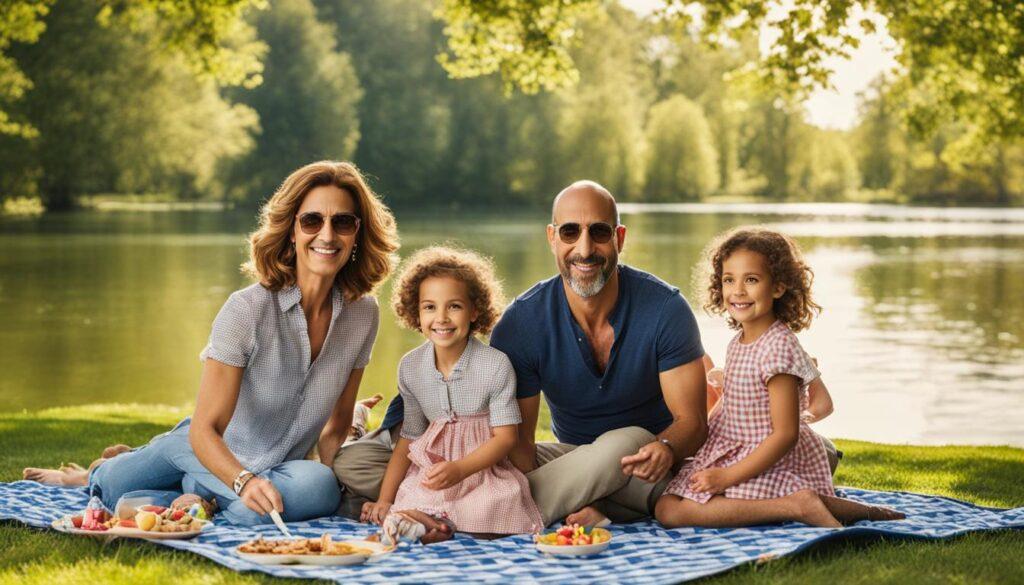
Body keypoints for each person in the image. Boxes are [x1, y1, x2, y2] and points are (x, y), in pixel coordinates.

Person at [24, 161, 399, 526]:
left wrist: (342, 497)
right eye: (312, 220)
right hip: (205, 449)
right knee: (109, 488)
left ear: (358, 233)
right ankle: (107, 472)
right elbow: (205, 431)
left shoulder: (362, 314)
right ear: (291, 231)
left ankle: (193, 497)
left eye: (343, 222)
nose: (328, 235)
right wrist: (242, 481)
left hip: (277, 468)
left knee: (319, 488)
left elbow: (334, 429)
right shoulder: (247, 309)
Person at [333, 180, 711, 526]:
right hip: (562, 458)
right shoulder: (524, 321)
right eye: (569, 232)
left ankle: (468, 512)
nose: (584, 248)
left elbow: (692, 423)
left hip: (640, 462)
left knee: (628, 441)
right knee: (353, 463)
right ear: (552, 238)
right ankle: (516, 506)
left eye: (599, 232)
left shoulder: (664, 309)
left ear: (619, 238)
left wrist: (665, 446)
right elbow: (520, 446)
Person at [655, 227, 903, 528]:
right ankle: (860, 510)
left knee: (671, 512)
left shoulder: (778, 348)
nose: (738, 291)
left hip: (769, 459)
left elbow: (786, 434)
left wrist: (726, 477)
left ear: (778, 287)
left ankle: (795, 505)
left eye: (751, 280)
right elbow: (730, 407)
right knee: (667, 503)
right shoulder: (739, 342)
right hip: (737, 449)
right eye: (729, 279)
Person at [360, 247, 543, 544]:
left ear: (474, 311)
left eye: (454, 306)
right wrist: (385, 499)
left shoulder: (495, 365)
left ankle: (437, 529)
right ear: (415, 313)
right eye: (429, 307)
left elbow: (506, 438)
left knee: (488, 508)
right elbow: (409, 437)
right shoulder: (410, 366)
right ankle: (422, 526)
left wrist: (460, 469)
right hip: (434, 468)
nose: (441, 318)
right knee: (412, 497)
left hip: (481, 470)